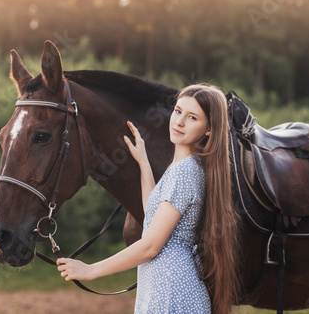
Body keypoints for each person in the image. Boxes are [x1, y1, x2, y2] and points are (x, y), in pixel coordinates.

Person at [57, 84, 241, 313]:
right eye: (177, 111)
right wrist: (143, 163)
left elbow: (151, 246)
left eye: (192, 117)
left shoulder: (184, 172)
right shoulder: (184, 167)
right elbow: (153, 216)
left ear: (209, 129)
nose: (179, 121)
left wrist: (91, 270)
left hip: (171, 293)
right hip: (166, 288)